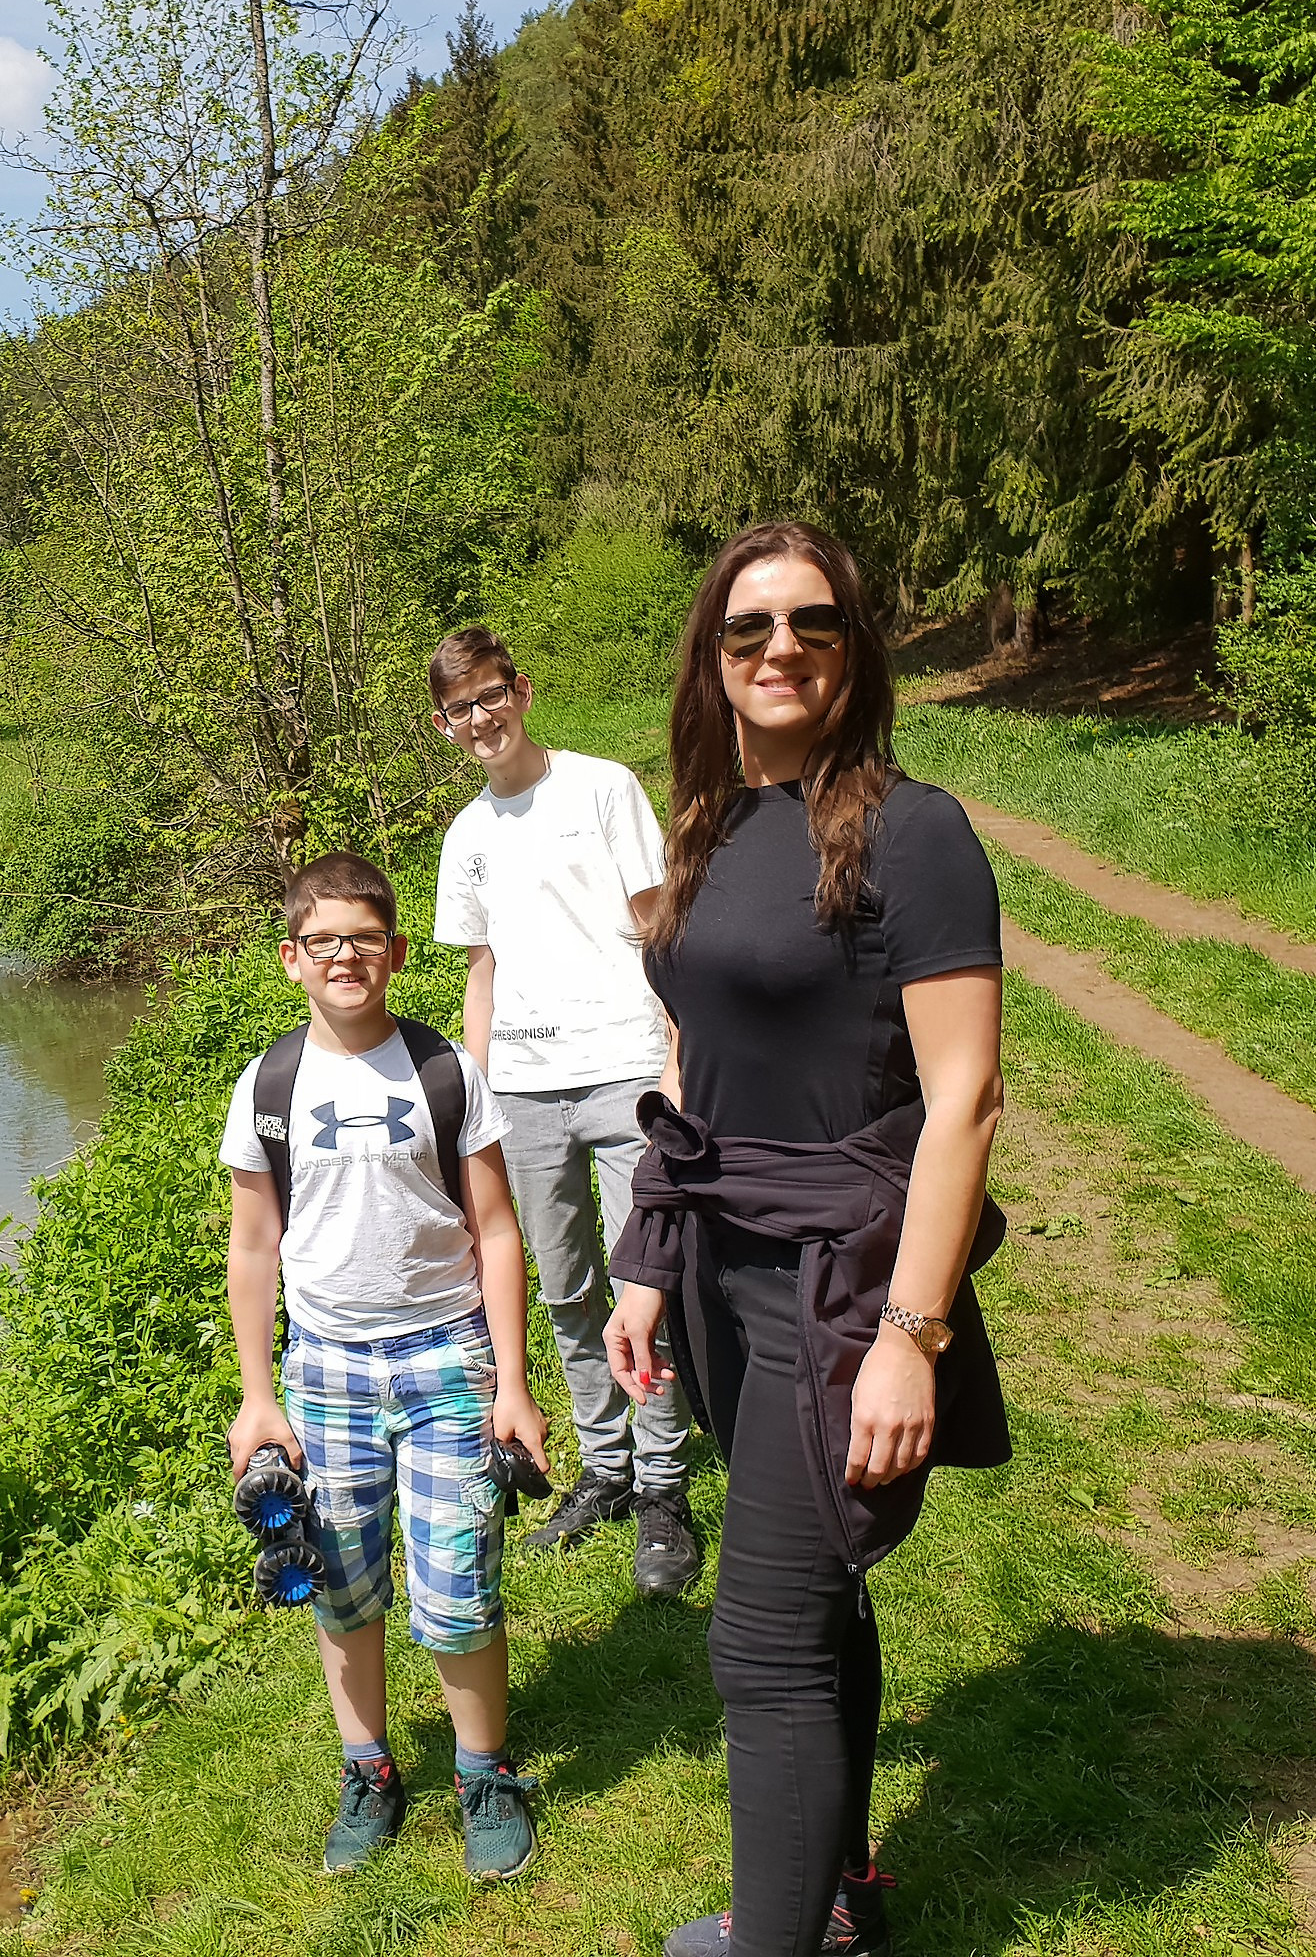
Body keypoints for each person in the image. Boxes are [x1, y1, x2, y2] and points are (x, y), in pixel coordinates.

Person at [600, 522, 1010, 1957]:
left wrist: (910, 1334)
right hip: (720, 1267)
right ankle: (837, 1892)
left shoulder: (913, 831)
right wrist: (648, 1256)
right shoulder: (709, 827)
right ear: (711, 658)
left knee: (761, 1644)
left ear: (853, 650)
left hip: (836, 1285)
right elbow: (689, 1058)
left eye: (812, 622)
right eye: (749, 627)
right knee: (819, 1598)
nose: (780, 648)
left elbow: (964, 1096)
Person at [222, 850, 551, 1881]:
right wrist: (258, 1396)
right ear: (291, 957)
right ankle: (367, 1770)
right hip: (325, 1371)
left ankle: (483, 1774)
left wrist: (512, 1383)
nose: (345, 957)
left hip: (446, 1356)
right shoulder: (267, 1084)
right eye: (322, 941)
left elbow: (496, 1230)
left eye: (364, 939)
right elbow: (253, 1246)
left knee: (459, 1586)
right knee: (342, 1588)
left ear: (397, 952)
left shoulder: (447, 1071)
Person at [429, 626, 701, 1595]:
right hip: (523, 1091)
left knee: (642, 1283)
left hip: (625, 1065)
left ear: (521, 690)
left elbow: (658, 922)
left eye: (490, 695)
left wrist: (679, 1048)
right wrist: (474, 1093)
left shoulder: (601, 787)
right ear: (444, 726)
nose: (480, 718)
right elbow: (481, 971)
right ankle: (605, 1466)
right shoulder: (465, 837)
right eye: (460, 708)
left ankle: (665, 1486)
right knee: (563, 1287)